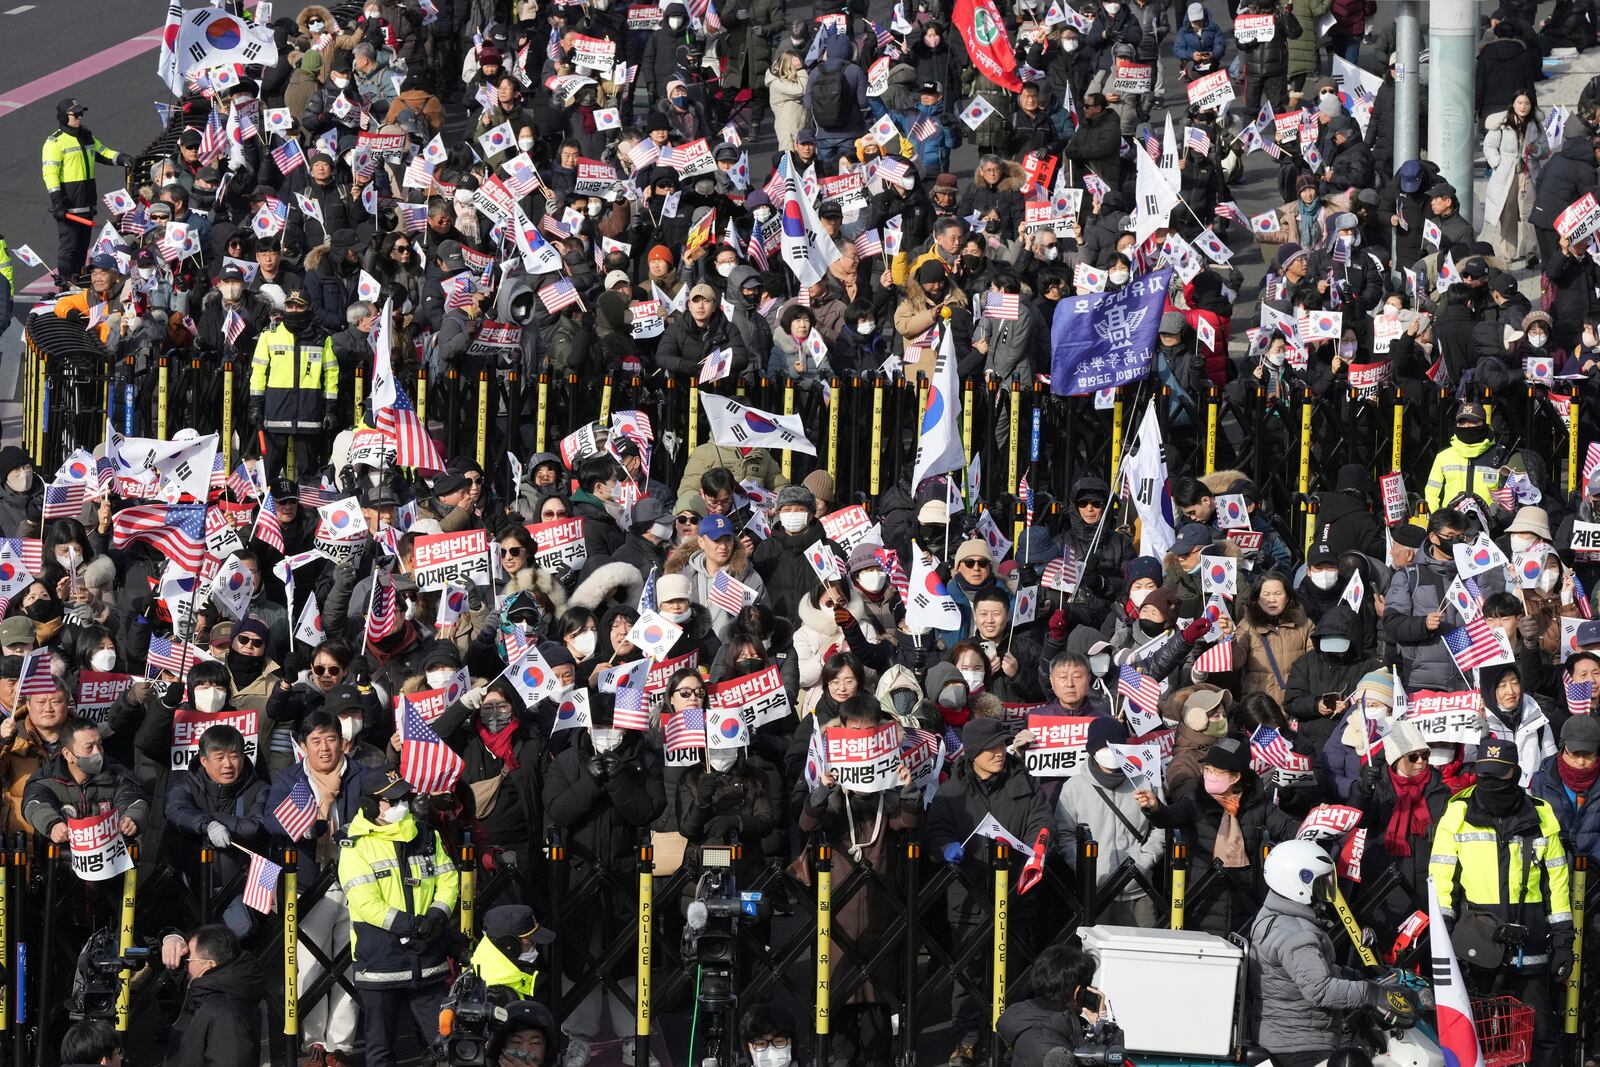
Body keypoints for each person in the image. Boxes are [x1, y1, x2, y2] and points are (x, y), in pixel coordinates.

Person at [1430, 739, 1571, 1064]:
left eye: (1499, 775)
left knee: (1541, 1038)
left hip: (1531, 946)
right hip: (1478, 948)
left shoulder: (1541, 815)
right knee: (1480, 1043)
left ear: (1516, 774)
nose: (1490, 783)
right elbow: (1441, 884)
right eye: (1485, 775)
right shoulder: (1457, 813)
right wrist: (1441, 944)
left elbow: (1558, 887)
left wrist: (1564, 943)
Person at [1249, 840, 1420, 1067]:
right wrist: (1370, 993)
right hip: (1303, 1045)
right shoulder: (1295, 934)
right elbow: (1320, 989)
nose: (1326, 892)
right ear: (1298, 883)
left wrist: (1357, 976)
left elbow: (1308, 971)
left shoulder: (1272, 916)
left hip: (1285, 1036)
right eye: (1320, 884)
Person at [339, 770, 460, 1067]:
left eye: (403, 797)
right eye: (390, 800)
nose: (401, 804)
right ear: (368, 805)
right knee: (380, 1052)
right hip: (382, 964)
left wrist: (436, 915)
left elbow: (448, 879)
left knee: (448, 1043)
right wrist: (413, 925)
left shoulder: (426, 834)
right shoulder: (355, 847)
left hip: (428, 961)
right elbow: (367, 904)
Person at [40, 97, 130, 287]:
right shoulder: (54, 142)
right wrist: (57, 200)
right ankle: (65, 286)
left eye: (81, 114)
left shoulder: (86, 136)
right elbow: (50, 173)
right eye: (76, 114)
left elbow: (103, 152)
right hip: (68, 208)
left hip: (87, 205)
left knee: (81, 250)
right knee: (69, 249)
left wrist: (122, 158)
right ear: (64, 117)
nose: (80, 117)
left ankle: (79, 285)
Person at [159, 924, 268, 1067]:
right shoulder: (217, 987)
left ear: (209, 964)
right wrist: (172, 938)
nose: (184, 963)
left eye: (187, 959)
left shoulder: (225, 1015)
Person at [995, 943, 1106, 1067]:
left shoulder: (1039, 1022)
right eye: (1089, 988)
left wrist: (1100, 1025)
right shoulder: (1048, 1046)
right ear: (1077, 993)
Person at [471, 903, 557, 1000]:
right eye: (530, 940)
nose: (534, 945)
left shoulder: (484, 957)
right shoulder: (499, 995)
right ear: (509, 945)